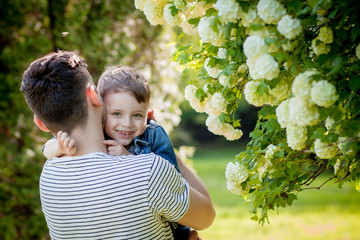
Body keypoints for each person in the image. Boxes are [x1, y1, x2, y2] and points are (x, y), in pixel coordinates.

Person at [20, 51, 215, 239]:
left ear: (40, 123)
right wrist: (164, 147)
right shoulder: (149, 171)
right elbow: (206, 216)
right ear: (94, 95)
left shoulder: (48, 178)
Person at [42, 65, 190, 238]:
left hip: (167, 219)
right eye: (117, 114)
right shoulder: (92, 134)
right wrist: (60, 147)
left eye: (137, 115)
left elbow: (171, 180)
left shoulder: (153, 134)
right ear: (102, 111)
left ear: (148, 114)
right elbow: (46, 150)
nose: (127, 124)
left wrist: (129, 158)